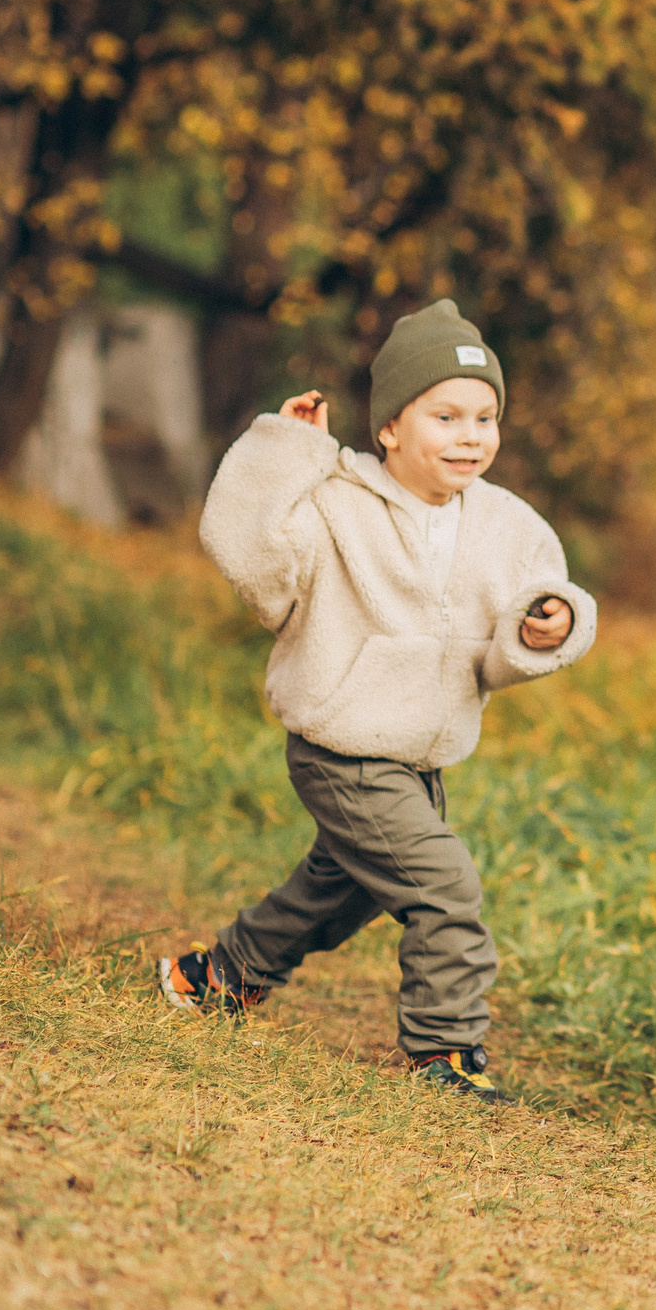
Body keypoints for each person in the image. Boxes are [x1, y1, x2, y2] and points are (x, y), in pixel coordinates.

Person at [158, 298, 597, 1102]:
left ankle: (218, 975)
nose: (471, 435)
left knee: (340, 887)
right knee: (444, 883)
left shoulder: (505, 523)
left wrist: (547, 624)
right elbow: (253, 556)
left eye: (486, 416)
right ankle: (445, 1050)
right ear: (391, 426)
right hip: (342, 744)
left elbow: (535, 601)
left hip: (418, 754)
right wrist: (284, 453)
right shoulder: (335, 502)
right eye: (446, 416)